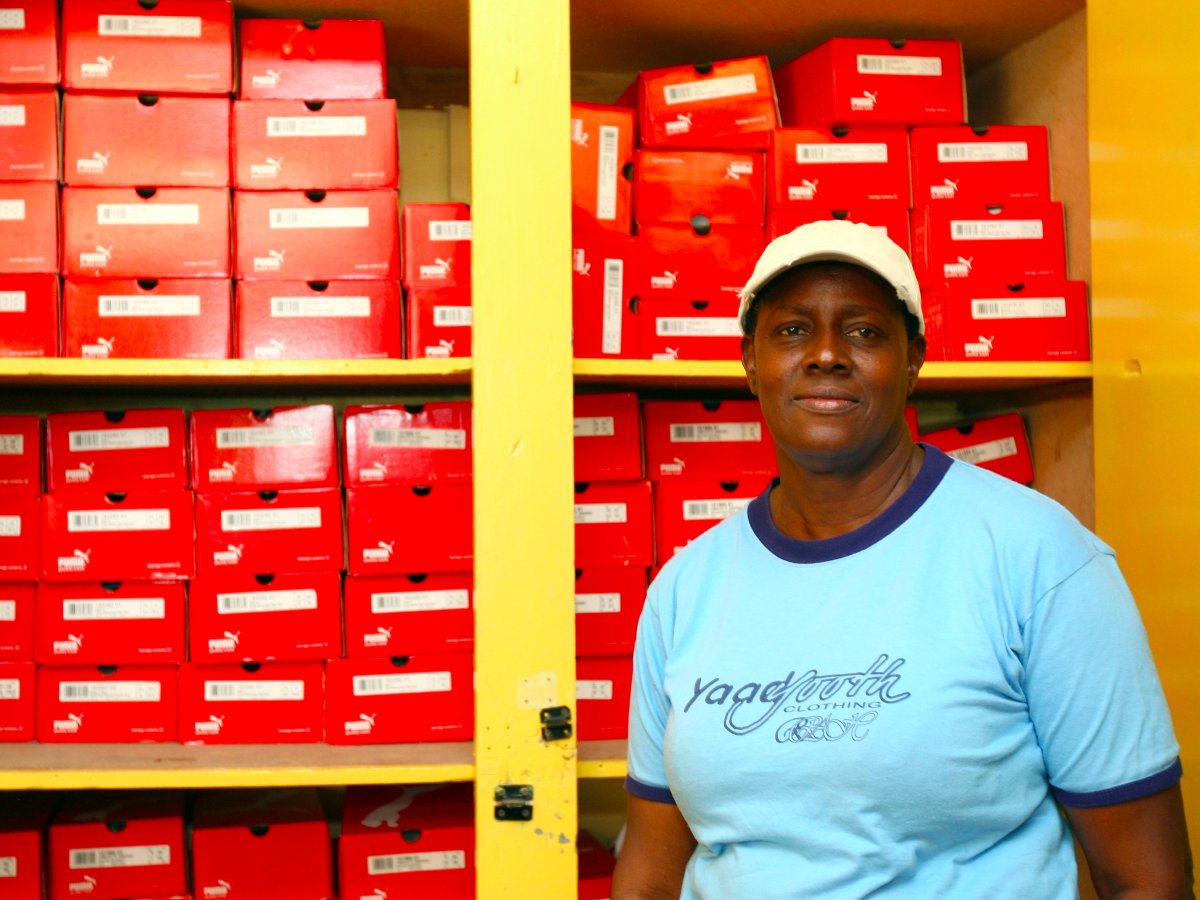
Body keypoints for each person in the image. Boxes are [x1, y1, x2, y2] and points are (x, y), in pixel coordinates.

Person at [612, 220, 1192, 899]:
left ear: (913, 361)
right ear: (750, 362)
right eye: (793, 330)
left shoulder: (1039, 557)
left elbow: (1147, 879)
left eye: (863, 332)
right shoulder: (686, 588)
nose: (826, 355)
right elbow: (649, 872)